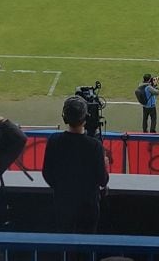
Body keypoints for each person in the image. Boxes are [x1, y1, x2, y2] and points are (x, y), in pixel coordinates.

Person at [42, 97, 109, 233]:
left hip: (62, 203)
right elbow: (103, 180)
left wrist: (62, 188)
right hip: (88, 206)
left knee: (64, 243)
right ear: (86, 118)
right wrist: (105, 165)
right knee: (87, 246)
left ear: (65, 117)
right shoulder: (94, 146)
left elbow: (47, 173)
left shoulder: (54, 141)